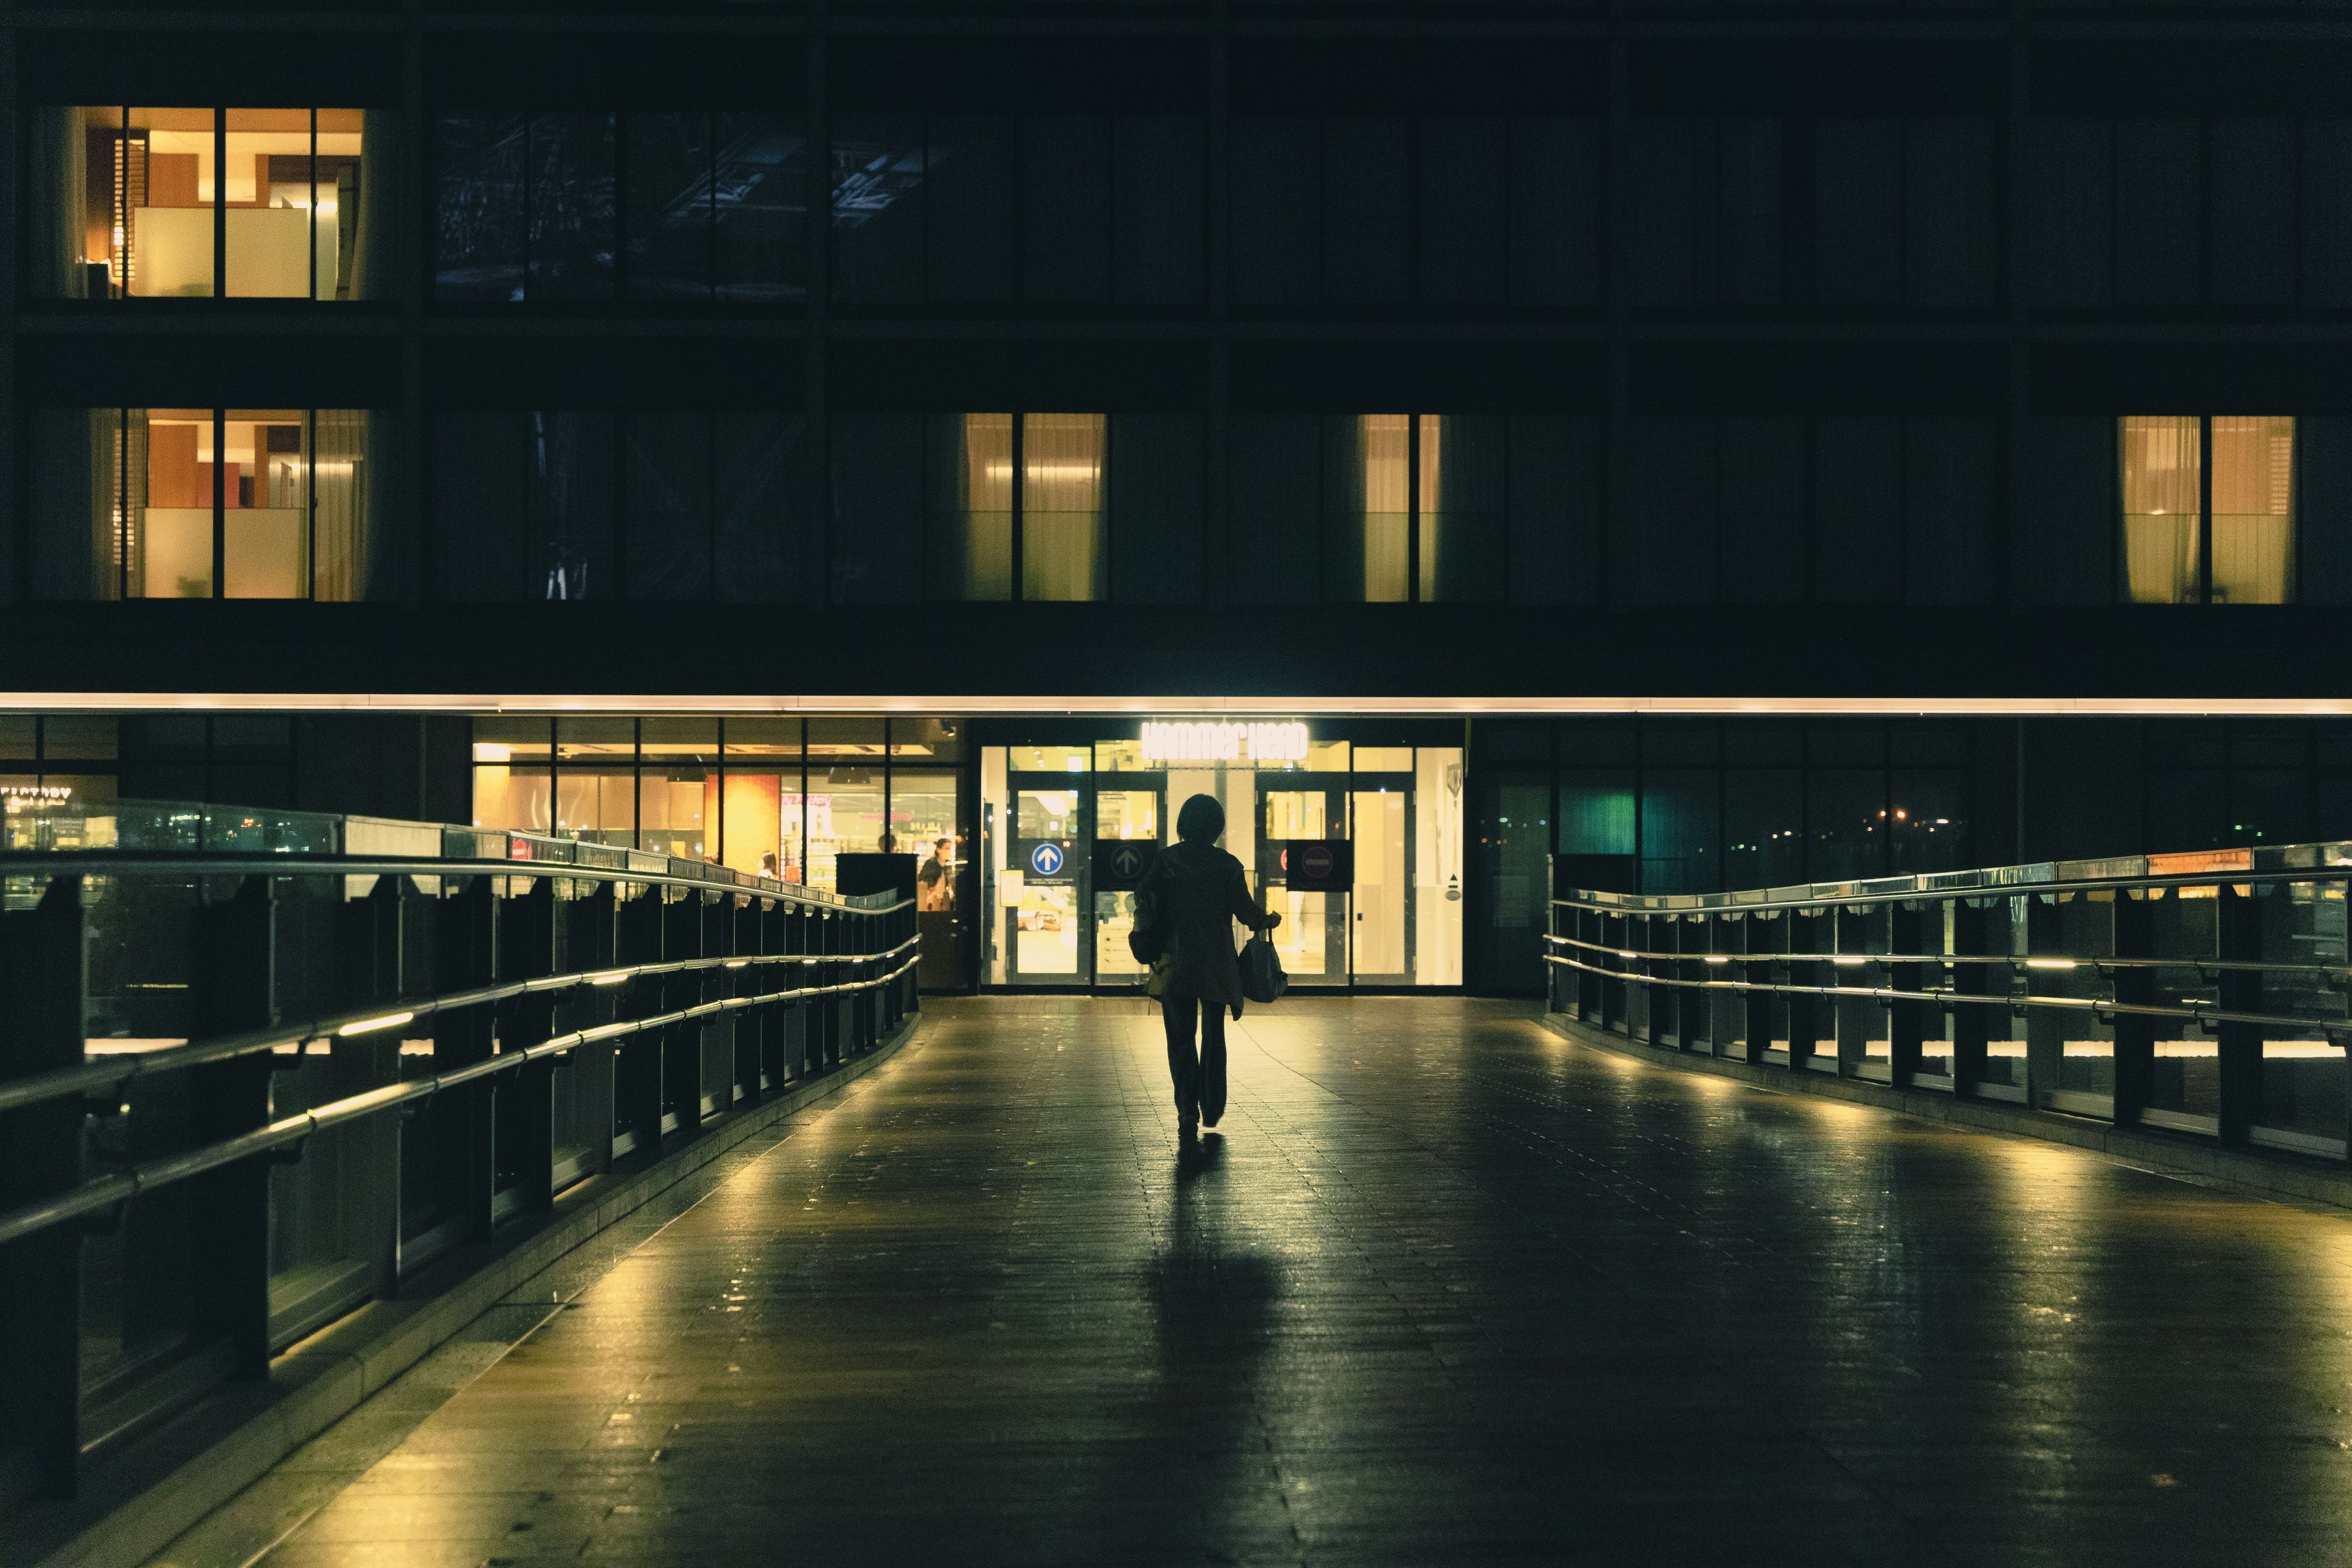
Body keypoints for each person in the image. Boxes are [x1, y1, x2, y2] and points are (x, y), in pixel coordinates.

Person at [1134, 793, 1279, 1144]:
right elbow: (1247, 912)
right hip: (1216, 962)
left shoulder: (1166, 860)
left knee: (1180, 1038)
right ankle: (1212, 1104)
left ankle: (1187, 1111)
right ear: (1217, 827)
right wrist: (1268, 919)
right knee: (1214, 1035)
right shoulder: (1227, 865)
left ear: (1183, 824)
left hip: (1176, 961)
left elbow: (1143, 897)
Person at [918, 837, 955, 911]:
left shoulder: (948, 866)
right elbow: (922, 881)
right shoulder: (931, 864)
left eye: (950, 849)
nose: (948, 852)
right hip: (931, 901)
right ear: (938, 850)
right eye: (946, 849)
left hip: (943, 901)